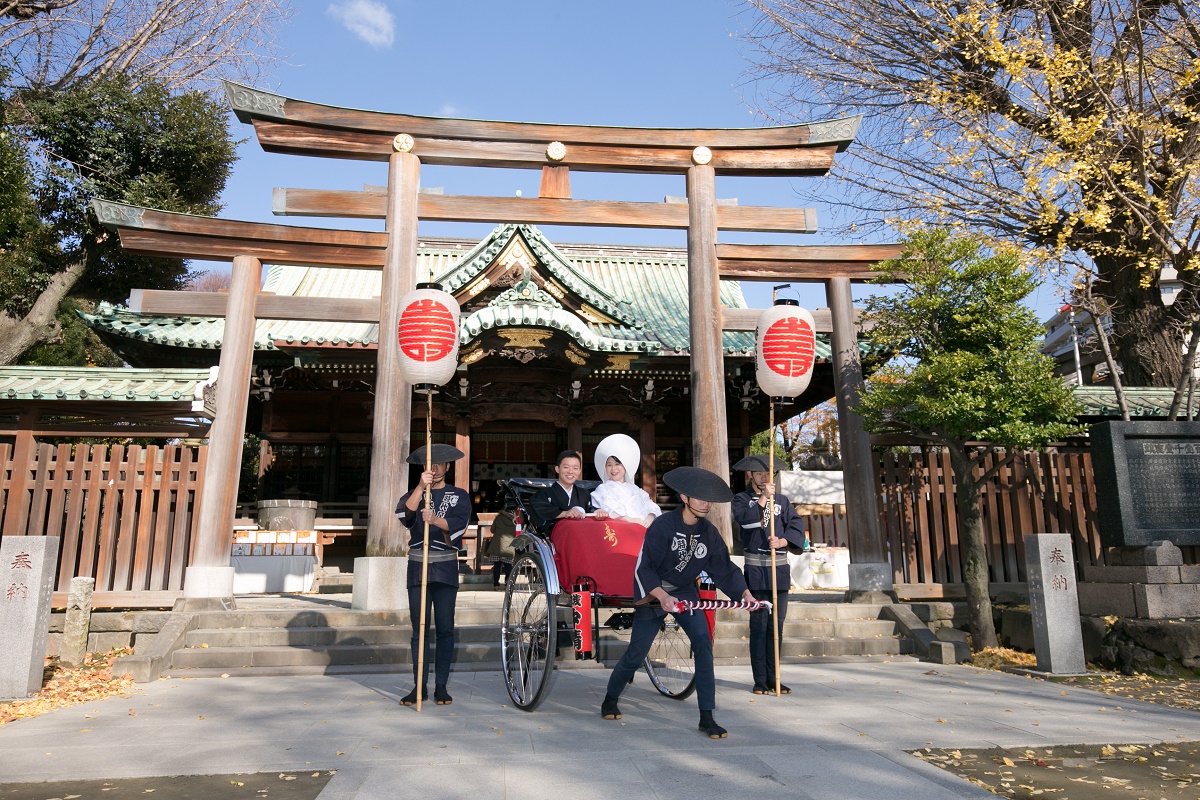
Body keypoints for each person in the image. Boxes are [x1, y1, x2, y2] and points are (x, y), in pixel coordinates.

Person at [600, 466, 759, 740]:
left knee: (703, 642)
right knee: (637, 653)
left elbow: (724, 568)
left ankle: (707, 716)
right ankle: (610, 698)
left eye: (708, 499)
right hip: (653, 593)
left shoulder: (708, 532)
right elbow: (645, 568)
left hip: (685, 593)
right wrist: (662, 597)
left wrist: (745, 593)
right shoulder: (663, 525)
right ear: (684, 497)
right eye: (700, 497)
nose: (705, 503)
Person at [395, 443, 471, 707]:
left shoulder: (459, 495)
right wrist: (419, 487)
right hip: (418, 565)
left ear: (448, 467)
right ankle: (419, 687)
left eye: (440, 465)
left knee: (445, 629)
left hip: (445, 566)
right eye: (431, 465)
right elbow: (406, 515)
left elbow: (458, 525)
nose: (435, 469)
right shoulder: (413, 493)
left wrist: (435, 519)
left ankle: (441, 686)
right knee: (419, 629)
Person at [731, 453, 809, 695]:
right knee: (759, 625)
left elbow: (796, 527)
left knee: (777, 626)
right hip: (755, 571)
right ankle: (760, 679)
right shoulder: (741, 499)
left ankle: (775, 676)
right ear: (750, 475)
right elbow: (745, 521)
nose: (764, 477)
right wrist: (764, 498)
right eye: (759, 473)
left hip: (779, 571)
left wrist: (784, 540)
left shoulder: (783, 501)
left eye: (767, 473)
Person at [526, 449, 608, 533]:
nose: (570, 471)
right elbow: (540, 512)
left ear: (579, 471)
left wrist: (596, 511)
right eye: (566, 467)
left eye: (575, 468)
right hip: (556, 536)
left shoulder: (584, 493)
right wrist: (565, 513)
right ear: (557, 469)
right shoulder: (544, 493)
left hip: (582, 534)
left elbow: (590, 508)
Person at [590, 433, 661, 527]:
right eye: (609, 465)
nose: (613, 469)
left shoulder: (636, 490)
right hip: (620, 530)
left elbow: (650, 506)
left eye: (617, 464)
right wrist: (631, 520)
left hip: (643, 528)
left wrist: (650, 517)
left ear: (625, 465)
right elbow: (611, 509)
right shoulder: (603, 489)